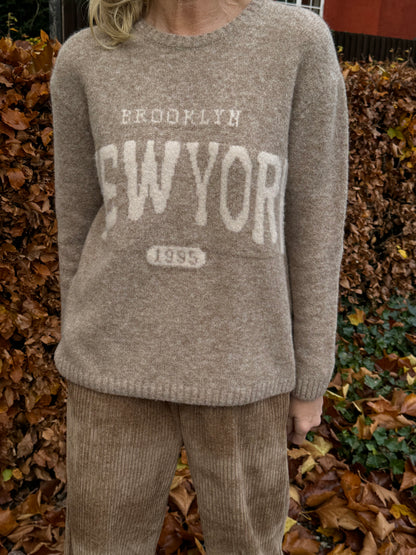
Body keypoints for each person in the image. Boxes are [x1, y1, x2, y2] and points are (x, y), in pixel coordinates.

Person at [49, 0, 349, 553]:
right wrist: (79, 337)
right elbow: (76, 225)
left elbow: (317, 222)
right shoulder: (86, 58)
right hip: (110, 364)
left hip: (246, 364)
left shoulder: (297, 43)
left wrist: (312, 375)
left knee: (249, 546)